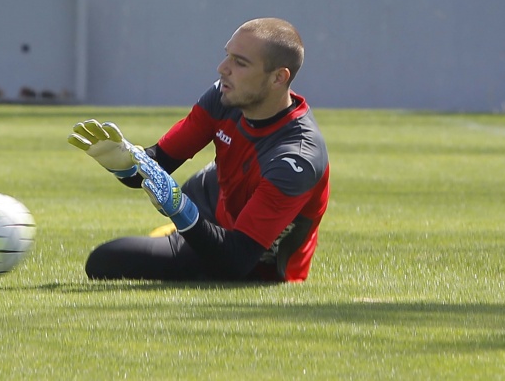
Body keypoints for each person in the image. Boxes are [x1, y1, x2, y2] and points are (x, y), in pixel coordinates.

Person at [68, 17, 330, 282]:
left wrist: (181, 211)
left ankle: (179, 235)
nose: (222, 68)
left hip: (254, 260)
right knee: (201, 183)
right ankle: (181, 232)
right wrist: (125, 164)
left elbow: (236, 261)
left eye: (240, 62)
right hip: (217, 202)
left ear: (278, 77)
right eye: (227, 55)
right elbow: (158, 163)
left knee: (106, 260)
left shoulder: (296, 159)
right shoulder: (223, 97)